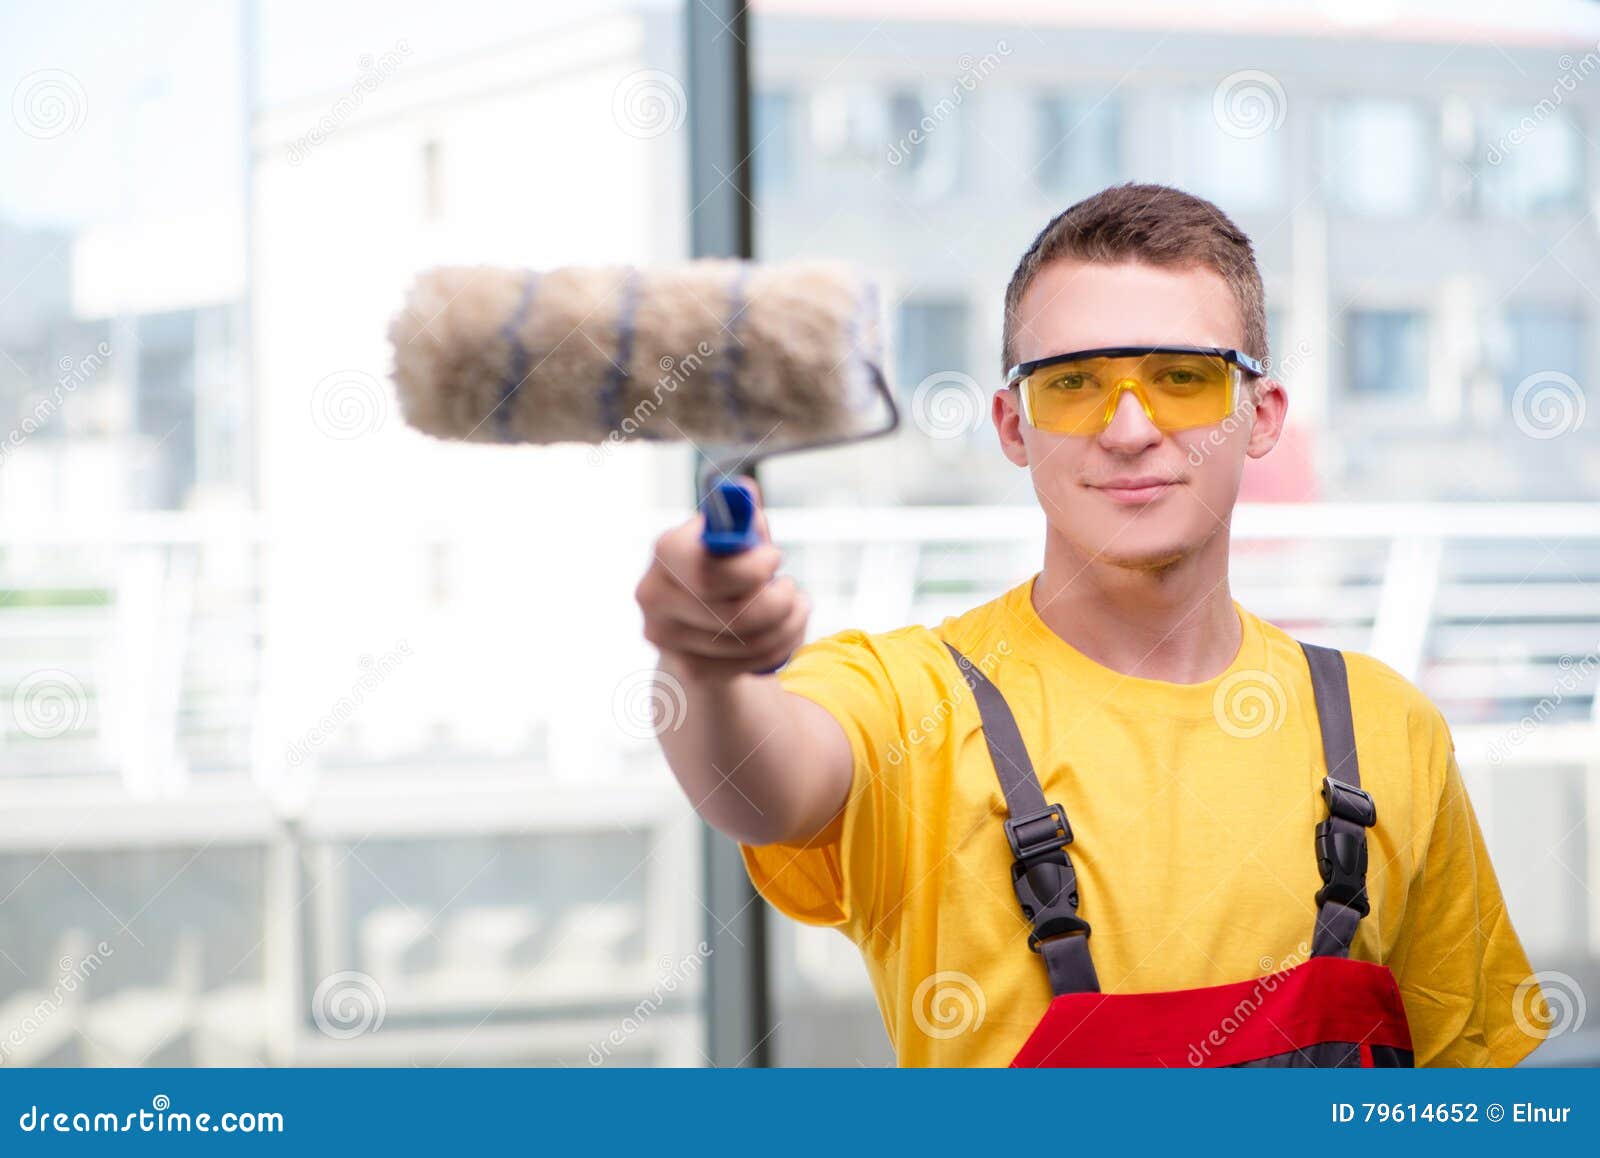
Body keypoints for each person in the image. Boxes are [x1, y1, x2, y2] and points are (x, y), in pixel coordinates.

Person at [636, 182, 1546, 1067]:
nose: (1127, 429)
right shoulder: (914, 701)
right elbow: (758, 784)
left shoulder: (1385, 726)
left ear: (1259, 415)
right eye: (1072, 384)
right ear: (1012, 425)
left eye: (1182, 379)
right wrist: (707, 665)